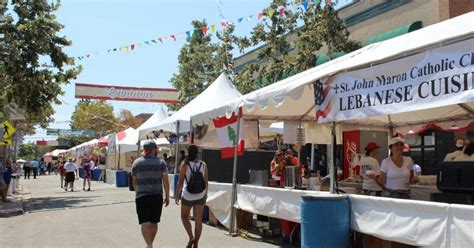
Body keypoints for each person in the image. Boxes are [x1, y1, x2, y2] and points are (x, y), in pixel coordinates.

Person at [131, 140, 170, 248]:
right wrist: (167, 196)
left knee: (144, 222)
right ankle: (150, 244)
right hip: (156, 196)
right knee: (154, 222)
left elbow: (134, 181)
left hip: (142, 196)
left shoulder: (137, 163)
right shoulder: (161, 162)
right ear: (153, 150)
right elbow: (165, 180)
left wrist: (137, 191)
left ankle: (149, 244)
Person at [175, 145, 208, 248]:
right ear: (197, 152)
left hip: (188, 195)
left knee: (184, 217)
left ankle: (191, 237)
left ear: (188, 152)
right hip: (200, 195)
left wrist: (177, 195)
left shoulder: (184, 164)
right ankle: (196, 244)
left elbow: (180, 182)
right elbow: (206, 181)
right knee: (198, 220)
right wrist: (205, 194)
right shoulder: (203, 164)